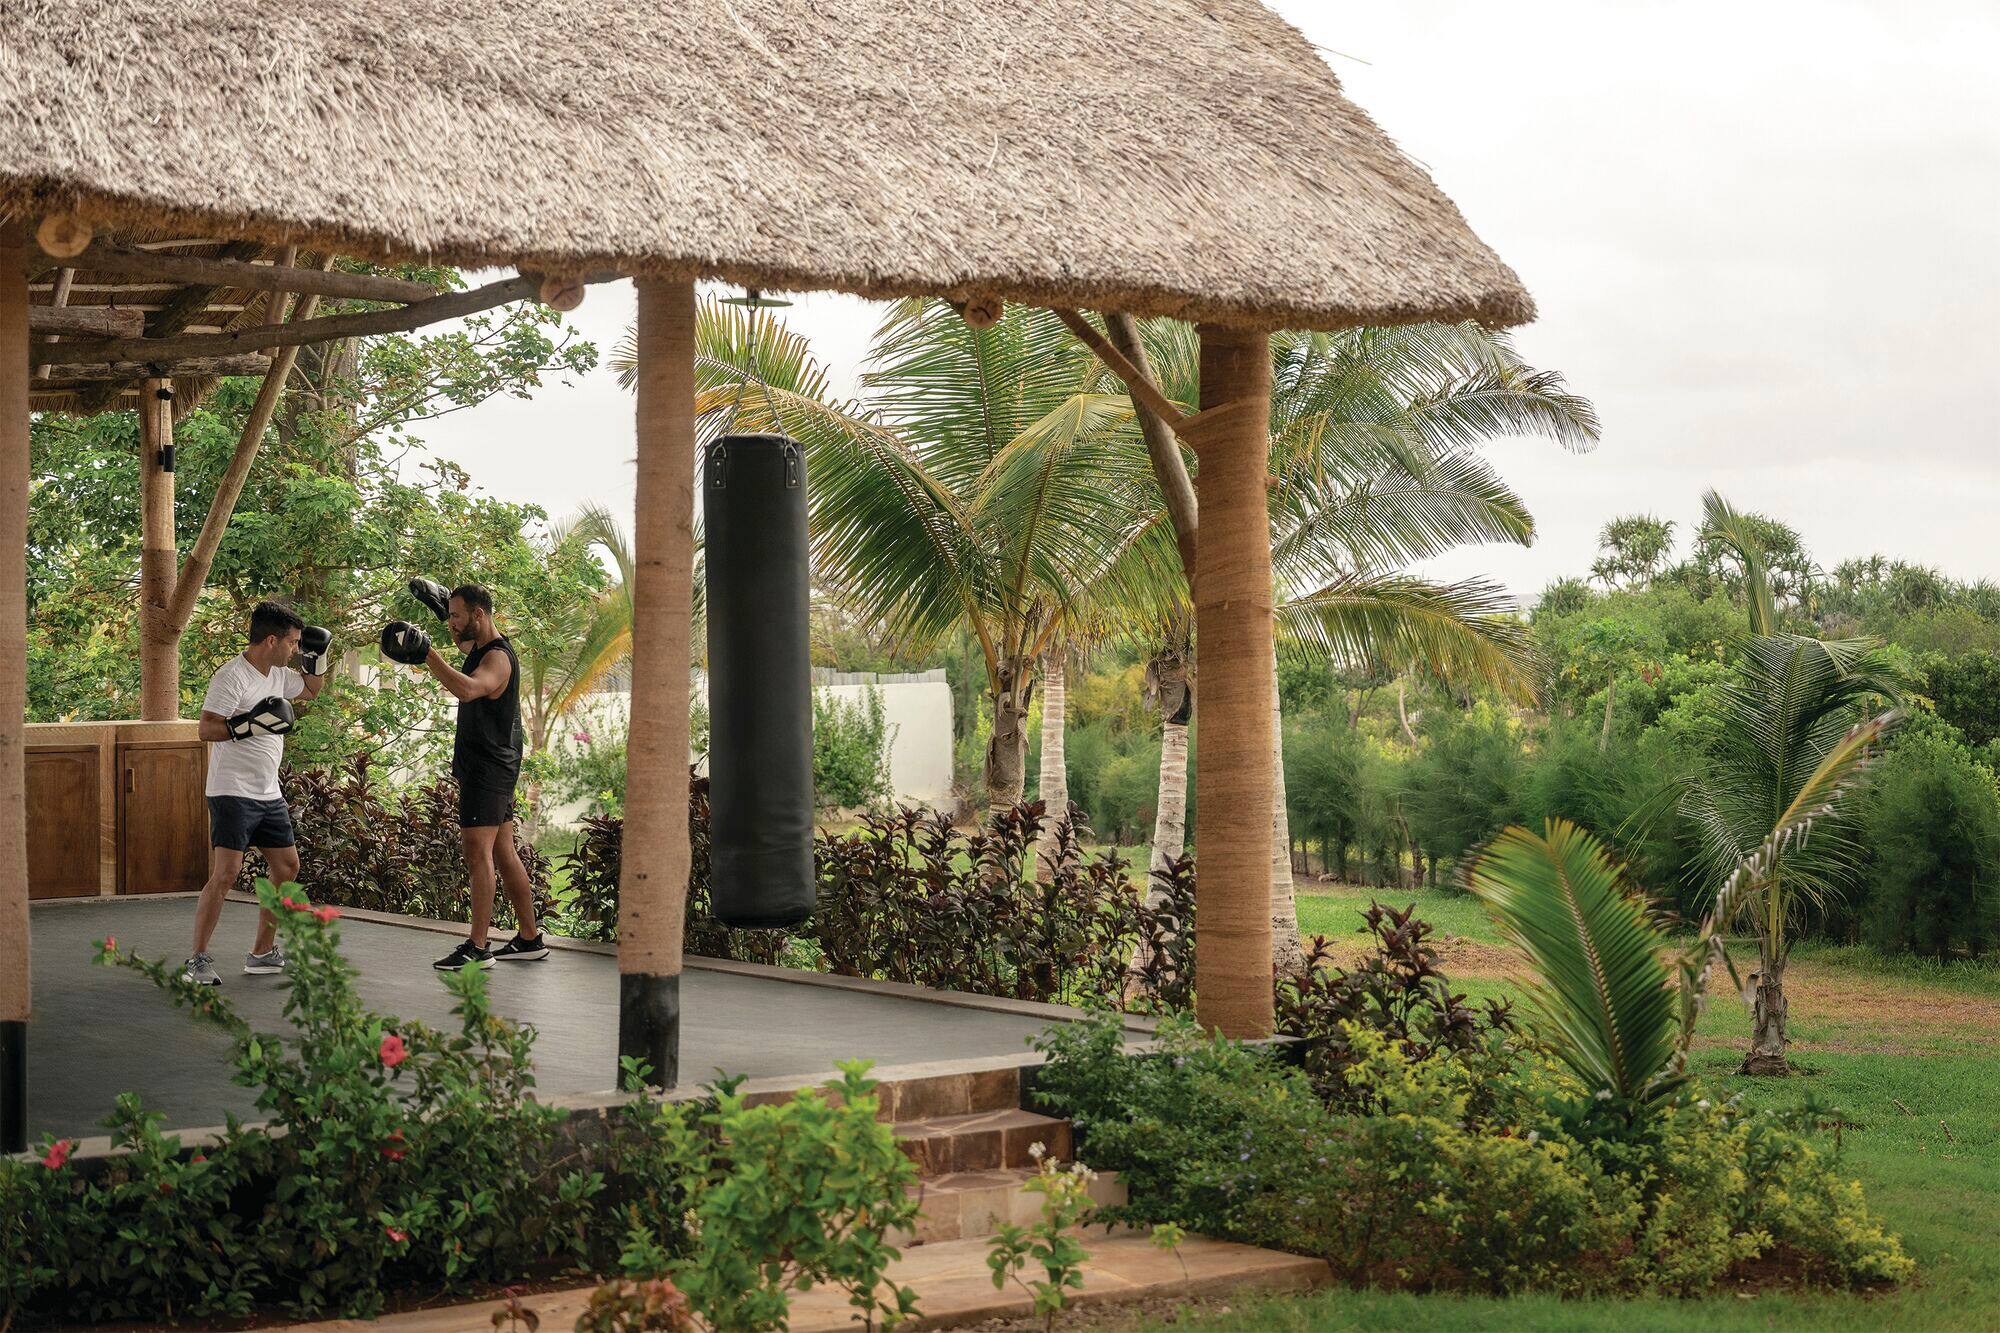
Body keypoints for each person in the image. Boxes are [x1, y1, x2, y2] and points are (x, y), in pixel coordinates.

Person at [381, 581, 547, 969]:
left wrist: (427, 654)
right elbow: (462, 646)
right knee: (504, 851)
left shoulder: (498, 659)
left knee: (478, 852)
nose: (451, 625)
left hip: (490, 767)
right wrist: (443, 611)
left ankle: (477, 947)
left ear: (479, 615)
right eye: (449, 615)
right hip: (491, 762)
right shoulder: (478, 645)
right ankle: (529, 938)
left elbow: (470, 689)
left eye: (456, 616)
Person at [184, 601, 331, 985]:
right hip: (231, 790)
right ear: (272, 640)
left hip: (268, 792)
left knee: (287, 867)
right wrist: (248, 725)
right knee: (226, 873)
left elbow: (312, 690)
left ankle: (262, 953)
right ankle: (197, 959)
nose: (296, 650)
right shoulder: (232, 678)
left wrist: (319, 658)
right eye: (294, 643)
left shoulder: (278, 676)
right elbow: (206, 729)